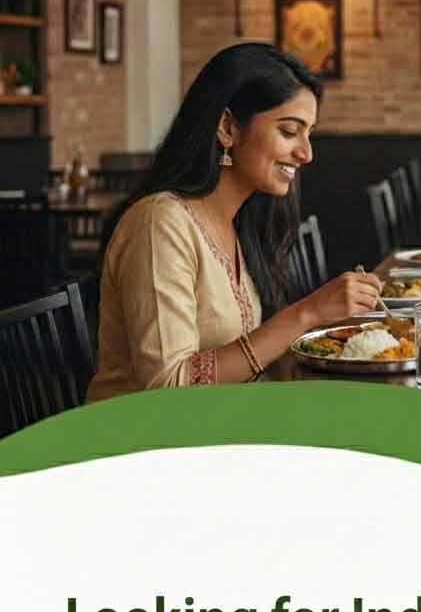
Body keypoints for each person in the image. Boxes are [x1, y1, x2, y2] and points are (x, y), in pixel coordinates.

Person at [87, 43, 381, 401]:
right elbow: (168, 390)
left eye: (309, 133)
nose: (306, 153)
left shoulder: (237, 221)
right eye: (289, 131)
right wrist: (305, 314)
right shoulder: (159, 223)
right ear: (227, 127)